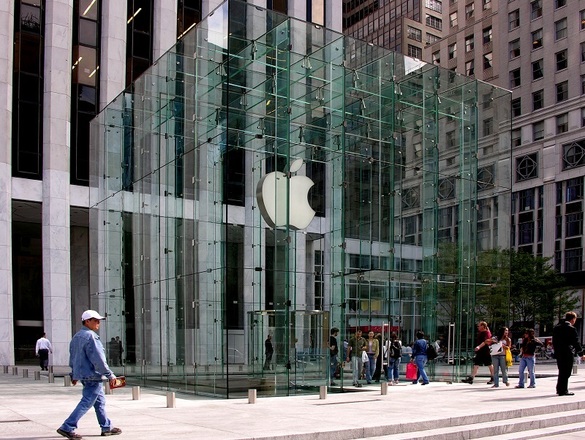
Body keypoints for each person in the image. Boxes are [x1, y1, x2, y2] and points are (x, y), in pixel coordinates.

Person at [57, 310, 121, 439]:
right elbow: (98, 359)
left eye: (99, 320)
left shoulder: (76, 337)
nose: (98, 323)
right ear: (87, 321)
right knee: (87, 402)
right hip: (93, 375)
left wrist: (74, 374)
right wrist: (110, 375)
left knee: (99, 402)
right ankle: (67, 426)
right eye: (95, 320)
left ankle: (106, 427)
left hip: (84, 375)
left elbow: (73, 358)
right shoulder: (91, 337)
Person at [552, 311, 585, 396]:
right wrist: (581, 354)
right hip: (567, 352)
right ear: (573, 319)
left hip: (559, 352)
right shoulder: (571, 328)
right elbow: (576, 342)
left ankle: (560, 389)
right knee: (567, 371)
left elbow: (554, 341)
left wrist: (556, 351)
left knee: (561, 370)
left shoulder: (557, 327)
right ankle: (563, 390)